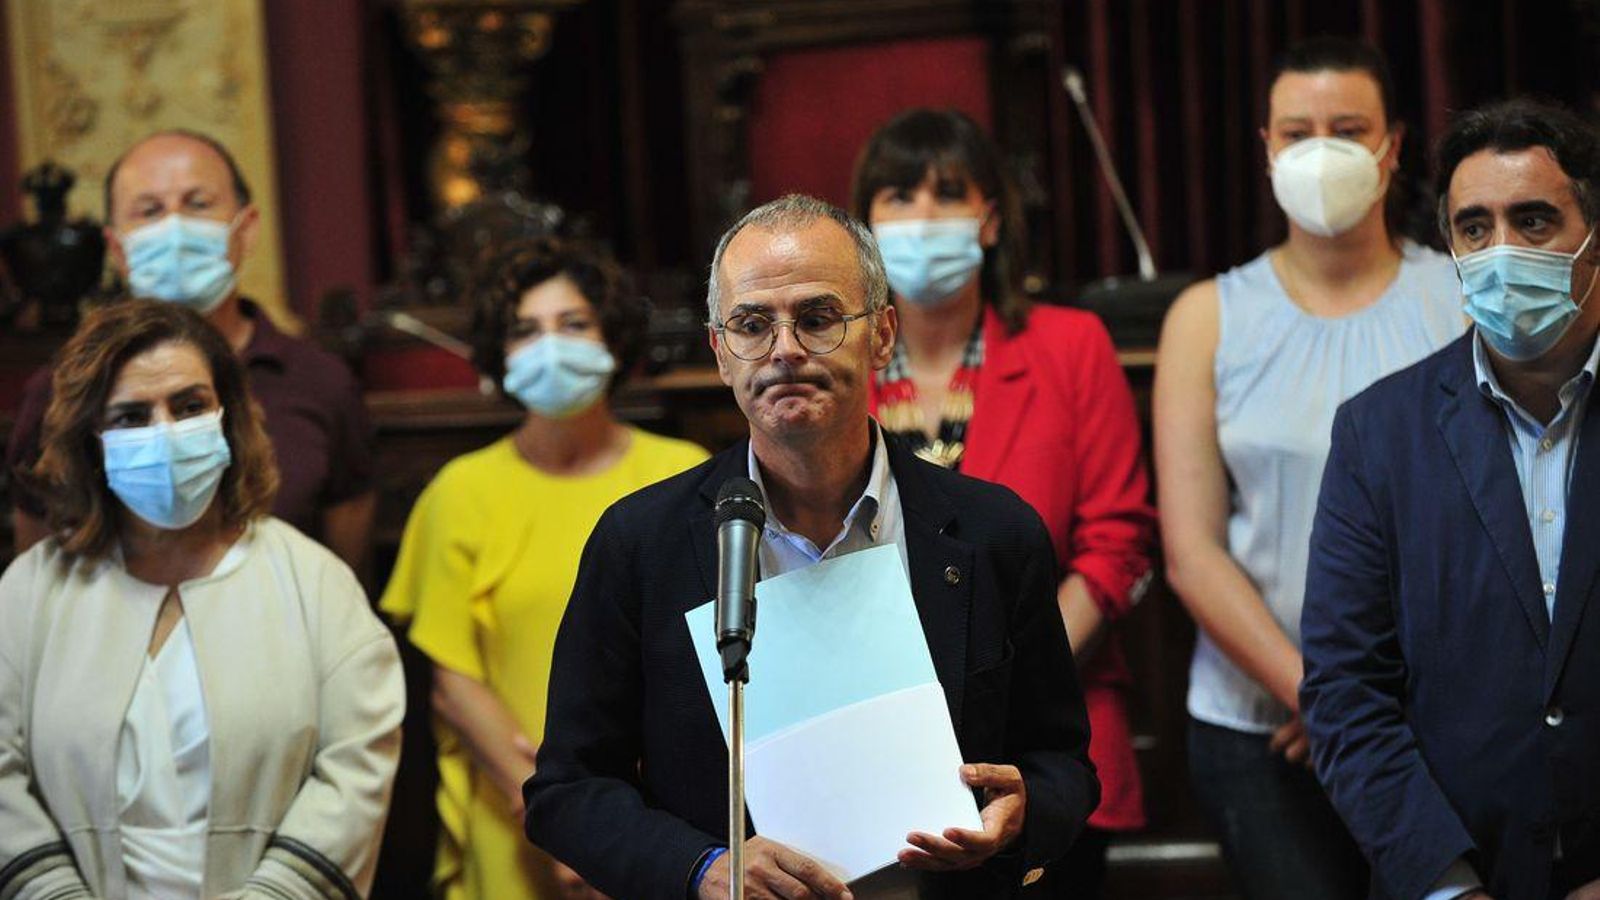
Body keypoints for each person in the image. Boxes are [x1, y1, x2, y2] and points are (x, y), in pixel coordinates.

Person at [524, 194, 1097, 900]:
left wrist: (1025, 811)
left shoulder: (992, 531)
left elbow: (1062, 762)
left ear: (882, 335)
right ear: (720, 352)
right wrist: (703, 869)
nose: (785, 349)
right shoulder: (640, 545)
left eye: (818, 318)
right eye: (752, 325)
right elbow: (568, 790)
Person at [1153, 37, 1465, 897]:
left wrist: (1366, 708)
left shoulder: (1463, 300)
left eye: (1348, 127)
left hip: (1434, 716)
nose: (1321, 149)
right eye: (1298, 131)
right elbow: (1193, 552)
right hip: (1255, 727)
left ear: (1394, 146)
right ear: (1265, 147)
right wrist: (1321, 699)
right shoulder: (1204, 317)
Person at [0, 299, 404, 898]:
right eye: (132, 416)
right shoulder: (32, 592)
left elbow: (355, 769)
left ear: (228, 415)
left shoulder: (314, 583)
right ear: (94, 442)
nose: (164, 433)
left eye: (189, 406)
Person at [1301, 97, 1600, 900]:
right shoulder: (1378, 433)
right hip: (1458, 875)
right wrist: (1449, 885)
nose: (1501, 251)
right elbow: (1344, 692)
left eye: (1534, 221)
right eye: (1475, 228)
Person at [851, 107, 1154, 896]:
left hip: (1049, 737)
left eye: (948, 195)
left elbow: (1117, 545)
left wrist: (1000, 678)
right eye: (897, 198)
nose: (922, 219)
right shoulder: (839, 369)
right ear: (865, 226)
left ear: (989, 218)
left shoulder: (1072, 345)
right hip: (874, 747)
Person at [379, 237, 708, 900]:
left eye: (573, 324)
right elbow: (453, 683)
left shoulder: (685, 473)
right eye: (525, 330)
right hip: (517, 823)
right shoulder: (459, 491)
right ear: (498, 355)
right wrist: (561, 822)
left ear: (613, 339)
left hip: (671, 826)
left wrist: (624, 835)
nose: (549, 345)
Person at [5, 129, 376, 573]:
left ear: (247, 228)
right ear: (118, 249)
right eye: (149, 211)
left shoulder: (322, 382)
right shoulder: (58, 390)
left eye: (198, 204)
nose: (174, 228)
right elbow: (38, 571)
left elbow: (349, 566)